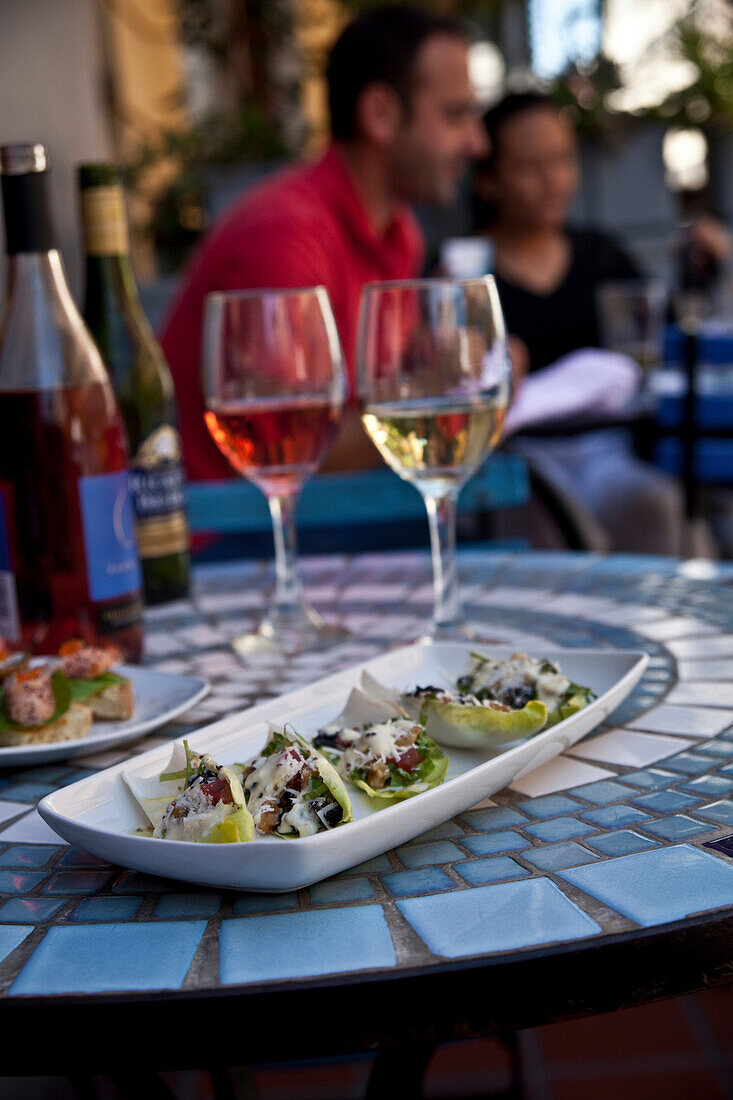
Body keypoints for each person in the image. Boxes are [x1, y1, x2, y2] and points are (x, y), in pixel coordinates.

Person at [161, 4, 487, 480]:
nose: (478, 144)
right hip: (233, 535)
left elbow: (368, 399)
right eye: (456, 115)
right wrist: (434, 393)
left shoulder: (398, 231)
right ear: (381, 114)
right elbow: (293, 449)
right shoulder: (284, 233)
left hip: (332, 519)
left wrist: (449, 364)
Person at [469, 90, 715, 555]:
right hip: (515, 462)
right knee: (568, 536)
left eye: (562, 160)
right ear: (488, 178)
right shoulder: (463, 272)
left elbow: (662, 335)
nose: (552, 180)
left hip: (610, 452)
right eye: (529, 166)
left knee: (664, 516)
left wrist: (700, 274)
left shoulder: (602, 255)